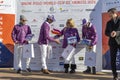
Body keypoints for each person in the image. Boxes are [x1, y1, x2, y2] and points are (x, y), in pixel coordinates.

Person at [105, 8, 120, 80]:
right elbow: (106, 32)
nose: (109, 15)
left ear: (114, 13)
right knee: (113, 59)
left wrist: (116, 33)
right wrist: (110, 34)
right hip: (112, 43)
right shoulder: (108, 22)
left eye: (110, 14)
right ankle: (115, 75)